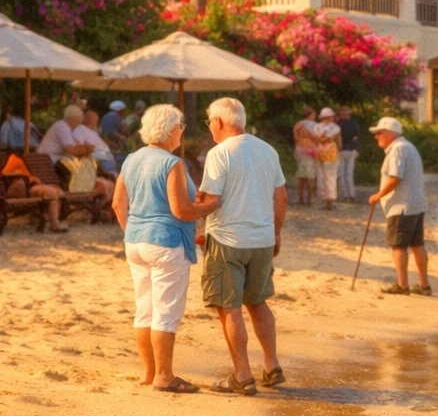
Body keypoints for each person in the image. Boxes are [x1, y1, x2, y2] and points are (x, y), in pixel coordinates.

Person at [112, 104, 222, 394]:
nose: (182, 132)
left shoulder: (132, 159)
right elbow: (181, 210)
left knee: (144, 309)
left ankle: (149, 372)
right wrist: (212, 205)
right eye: (181, 127)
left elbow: (117, 204)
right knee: (166, 311)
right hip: (166, 242)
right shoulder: (172, 163)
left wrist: (134, 231)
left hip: (135, 240)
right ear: (170, 129)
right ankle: (164, 375)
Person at [199, 97, 288, 395]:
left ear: (220, 122)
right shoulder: (268, 150)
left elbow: (212, 199)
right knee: (258, 302)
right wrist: (276, 232)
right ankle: (272, 365)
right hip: (262, 238)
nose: (210, 126)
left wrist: (192, 219)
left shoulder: (219, 153)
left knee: (229, 306)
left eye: (210, 121)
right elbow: (281, 198)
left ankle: (242, 374)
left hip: (227, 239)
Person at [369, 117, 431, 295]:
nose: (376, 137)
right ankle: (424, 285)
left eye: (379, 133)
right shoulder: (407, 147)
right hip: (415, 203)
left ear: (390, 133)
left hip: (401, 205)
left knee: (398, 245)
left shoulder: (398, 150)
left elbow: (396, 177)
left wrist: (378, 196)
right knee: (417, 244)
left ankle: (402, 285)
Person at [2, 150, 70, 232]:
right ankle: (54, 224)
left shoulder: (18, 159)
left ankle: (52, 219)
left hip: (30, 186)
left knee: (59, 192)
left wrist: (34, 179)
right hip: (23, 188)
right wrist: (28, 178)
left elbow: (29, 175)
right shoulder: (7, 161)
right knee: (51, 192)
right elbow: (6, 175)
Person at [312, 108, 341, 211]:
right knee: (322, 176)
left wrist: (322, 138)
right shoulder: (319, 127)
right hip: (323, 151)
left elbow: (327, 138)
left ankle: (329, 201)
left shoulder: (334, 127)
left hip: (327, 151)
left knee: (329, 176)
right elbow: (321, 138)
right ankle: (326, 200)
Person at [77, 109, 118, 175]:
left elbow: (98, 142)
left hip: (106, 159)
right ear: (89, 119)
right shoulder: (80, 130)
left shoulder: (92, 131)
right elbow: (80, 148)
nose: (97, 122)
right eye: (96, 120)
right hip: (100, 162)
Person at [291, 108, 318, 206]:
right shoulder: (314, 125)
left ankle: (301, 198)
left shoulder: (298, 124)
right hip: (310, 151)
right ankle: (309, 199)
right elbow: (317, 138)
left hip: (300, 151)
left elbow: (296, 138)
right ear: (311, 115)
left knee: (301, 176)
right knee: (310, 177)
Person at [336, 106, 361, 202]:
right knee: (349, 173)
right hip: (351, 150)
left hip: (341, 150)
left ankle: (345, 195)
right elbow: (356, 137)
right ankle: (352, 194)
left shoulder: (338, 124)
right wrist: (354, 147)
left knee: (341, 173)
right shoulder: (353, 123)